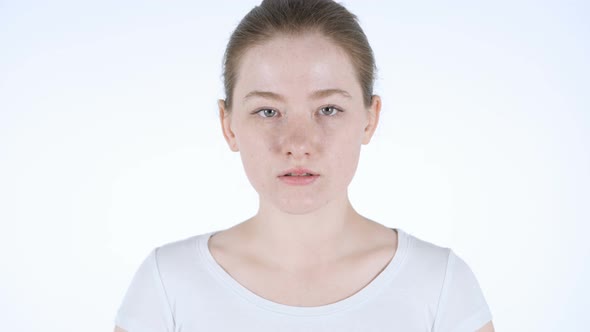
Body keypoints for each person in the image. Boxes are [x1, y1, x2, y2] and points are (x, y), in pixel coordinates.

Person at [114, 0, 494, 331]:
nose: (297, 144)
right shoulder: (168, 285)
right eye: (267, 111)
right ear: (228, 125)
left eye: (328, 109)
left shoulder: (439, 286)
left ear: (369, 118)